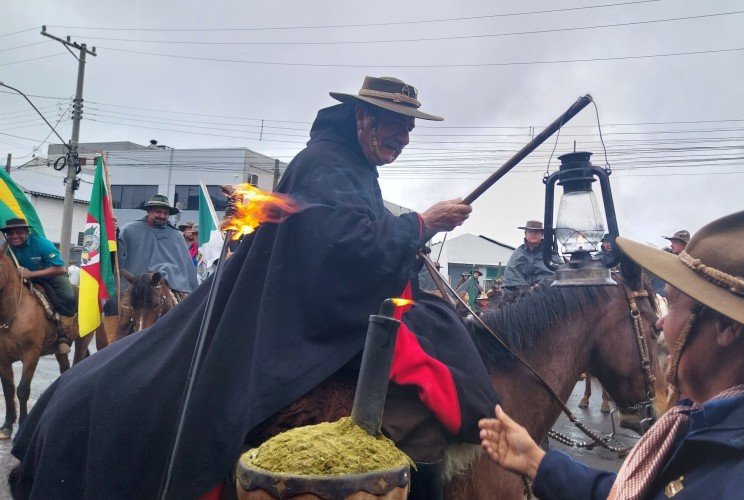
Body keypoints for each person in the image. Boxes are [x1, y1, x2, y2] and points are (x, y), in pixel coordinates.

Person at [10, 76, 499, 499]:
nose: (404, 137)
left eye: (410, 128)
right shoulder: (328, 164)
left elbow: (355, 239)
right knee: (439, 367)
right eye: (395, 125)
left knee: (442, 328)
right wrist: (421, 224)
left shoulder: (355, 168)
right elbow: (340, 247)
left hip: (327, 302)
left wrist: (411, 237)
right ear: (363, 118)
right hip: (303, 318)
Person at [478, 202, 744, 499]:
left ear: (728, 326)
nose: (660, 324)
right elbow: (636, 493)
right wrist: (537, 463)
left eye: (671, 305)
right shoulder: (728, 432)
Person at [1, 218, 76, 349]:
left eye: (19, 232)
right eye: (10, 234)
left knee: (68, 297)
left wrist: (31, 274)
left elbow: (60, 268)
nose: (14, 236)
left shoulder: (41, 243)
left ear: (26, 232)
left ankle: (63, 335)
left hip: (52, 276)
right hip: (23, 279)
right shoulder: (7, 248)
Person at [117, 194, 199, 297]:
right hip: (134, 287)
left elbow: (186, 266)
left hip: (169, 288)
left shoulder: (176, 235)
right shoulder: (128, 230)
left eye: (166, 213)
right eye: (158, 212)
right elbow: (116, 257)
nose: (163, 216)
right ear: (149, 211)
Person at [502, 219, 554, 300]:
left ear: (542, 234)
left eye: (536, 232)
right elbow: (511, 279)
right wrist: (527, 290)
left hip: (545, 296)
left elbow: (557, 275)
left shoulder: (551, 253)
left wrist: (540, 287)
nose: (533, 234)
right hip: (520, 298)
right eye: (530, 231)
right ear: (525, 234)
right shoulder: (517, 253)